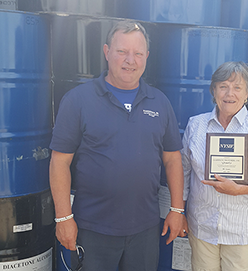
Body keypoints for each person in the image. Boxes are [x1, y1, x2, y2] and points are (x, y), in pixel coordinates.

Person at [49, 20, 187, 271]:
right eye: (122, 51)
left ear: (146, 56)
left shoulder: (160, 102)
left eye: (137, 53)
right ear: (106, 52)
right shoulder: (78, 101)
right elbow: (60, 161)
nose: (130, 60)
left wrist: (177, 209)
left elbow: (172, 159)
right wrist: (63, 217)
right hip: (92, 229)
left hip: (144, 230)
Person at [181, 61, 248, 271]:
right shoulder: (195, 125)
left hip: (243, 230)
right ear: (214, 91)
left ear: (247, 94)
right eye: (223, 86)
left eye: (237, 87)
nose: (230, 93)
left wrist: (240, 189)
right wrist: (179, 212)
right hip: (203, 226)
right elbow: (183, 172)